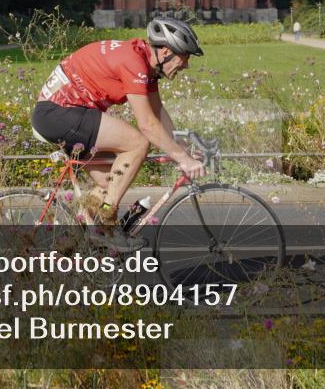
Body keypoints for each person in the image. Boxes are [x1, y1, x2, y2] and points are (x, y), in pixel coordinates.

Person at [30, 18, 206, 249]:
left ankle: (76, 244)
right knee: (138, 143)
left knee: (108, 183)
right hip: (58, 113)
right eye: (185, 57)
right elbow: (147, 125)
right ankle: (107, 224)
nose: (186, 65)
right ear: (165, 51)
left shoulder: (145, 64)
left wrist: (182, 148)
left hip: (66, 114)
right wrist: (183, 159)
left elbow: (158, 112)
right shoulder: (133, 62)